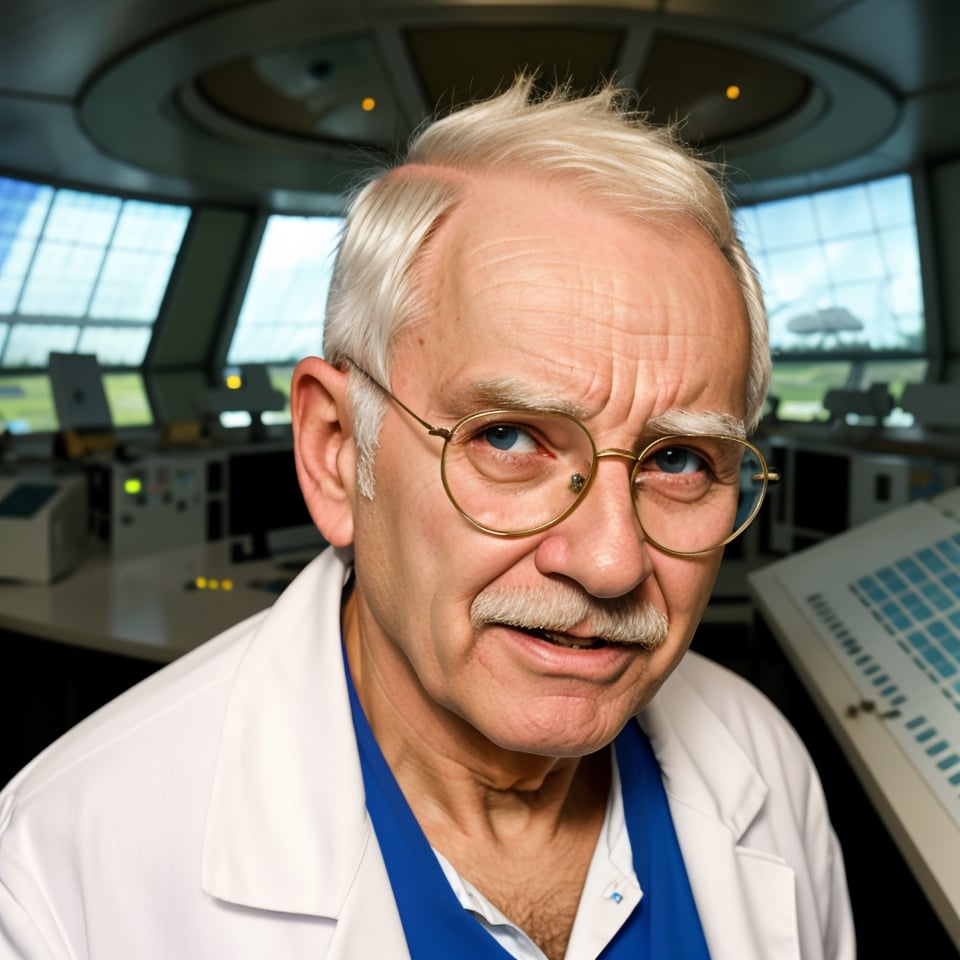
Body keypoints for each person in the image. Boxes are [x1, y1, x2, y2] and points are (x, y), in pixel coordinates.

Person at [0, 78, 854, 960]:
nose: (609, 562)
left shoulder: (769, 770)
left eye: (678, 460)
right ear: (337, 452)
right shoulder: (60, 880)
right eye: (511, 438)